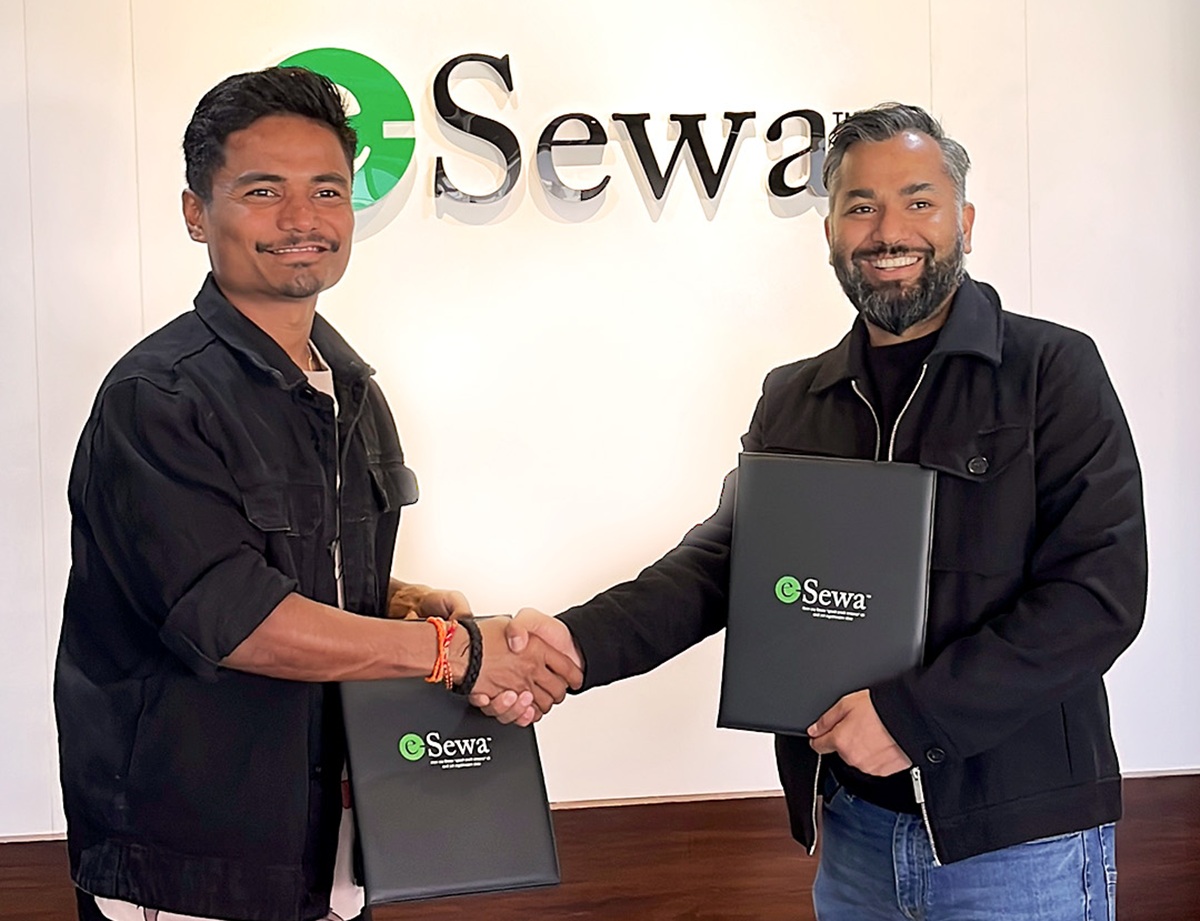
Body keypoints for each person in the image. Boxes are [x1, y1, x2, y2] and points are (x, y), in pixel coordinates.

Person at [476, 103, 1146, 919]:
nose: (889, 231)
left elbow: (1098, 596)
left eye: (919, 201)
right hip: (853, 832)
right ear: (830, 232)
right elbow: (723, 566)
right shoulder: (794, 397)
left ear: (965, 221)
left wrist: (911, 716)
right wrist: (575, 644)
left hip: (1018, 842)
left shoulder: (1051, 370)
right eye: (861, 206)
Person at [55, 66, 581, 921]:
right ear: (196, 213)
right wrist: (454, 652)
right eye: (263, 191)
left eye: (327, 190)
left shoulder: (349, 387)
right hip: (190, 866)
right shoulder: (157, 398)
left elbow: (292, 559)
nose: (302, 219)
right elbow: (235, 618)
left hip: (331, 848)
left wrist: (397, 599)